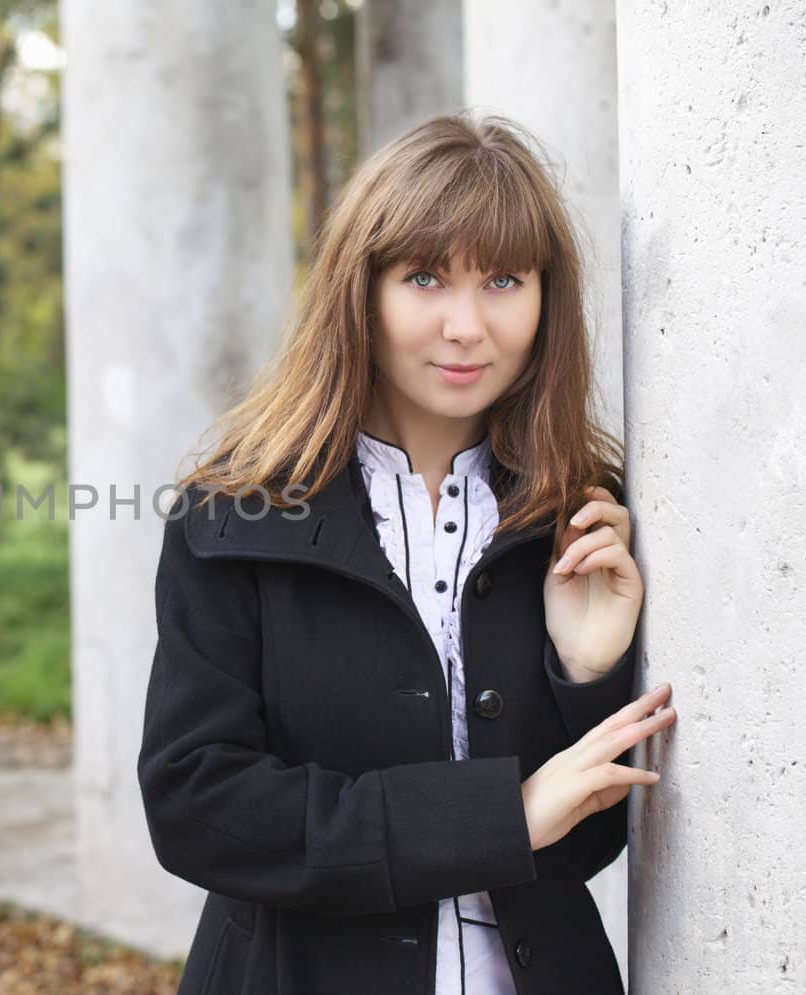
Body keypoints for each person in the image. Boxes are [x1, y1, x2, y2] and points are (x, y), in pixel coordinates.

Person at [136, 112, 678, 995]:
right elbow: (198, 805)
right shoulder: (235, 512)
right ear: (362, 287)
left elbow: (585, 840)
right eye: (424, 277)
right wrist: (495, 816)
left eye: (504, 278)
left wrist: (586, 670)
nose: (466, 325)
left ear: (547, 297)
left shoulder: (583, 513)